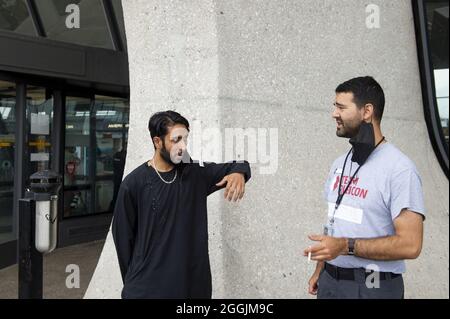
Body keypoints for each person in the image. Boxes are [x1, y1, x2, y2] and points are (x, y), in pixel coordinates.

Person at [304, 76, 425, 299]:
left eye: (341, 107)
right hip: (331, 282)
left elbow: (411, 245)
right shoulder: (339, 163)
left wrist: (344, 246)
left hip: (373, 287)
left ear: (367, 111)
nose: (334, 114)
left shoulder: (400, 169)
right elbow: (334, 222)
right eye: (335, 107)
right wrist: (320, 270)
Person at [112, 110, 251, 299]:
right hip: (148, 289)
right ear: (157, 142)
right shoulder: (133, 183)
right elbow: (122, 237)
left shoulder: (195, 174)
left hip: (192, 286)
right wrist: (134, 280)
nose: (182, 146)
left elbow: (237, 165)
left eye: (185, 139)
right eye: (176, 140)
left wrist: (239, 172)